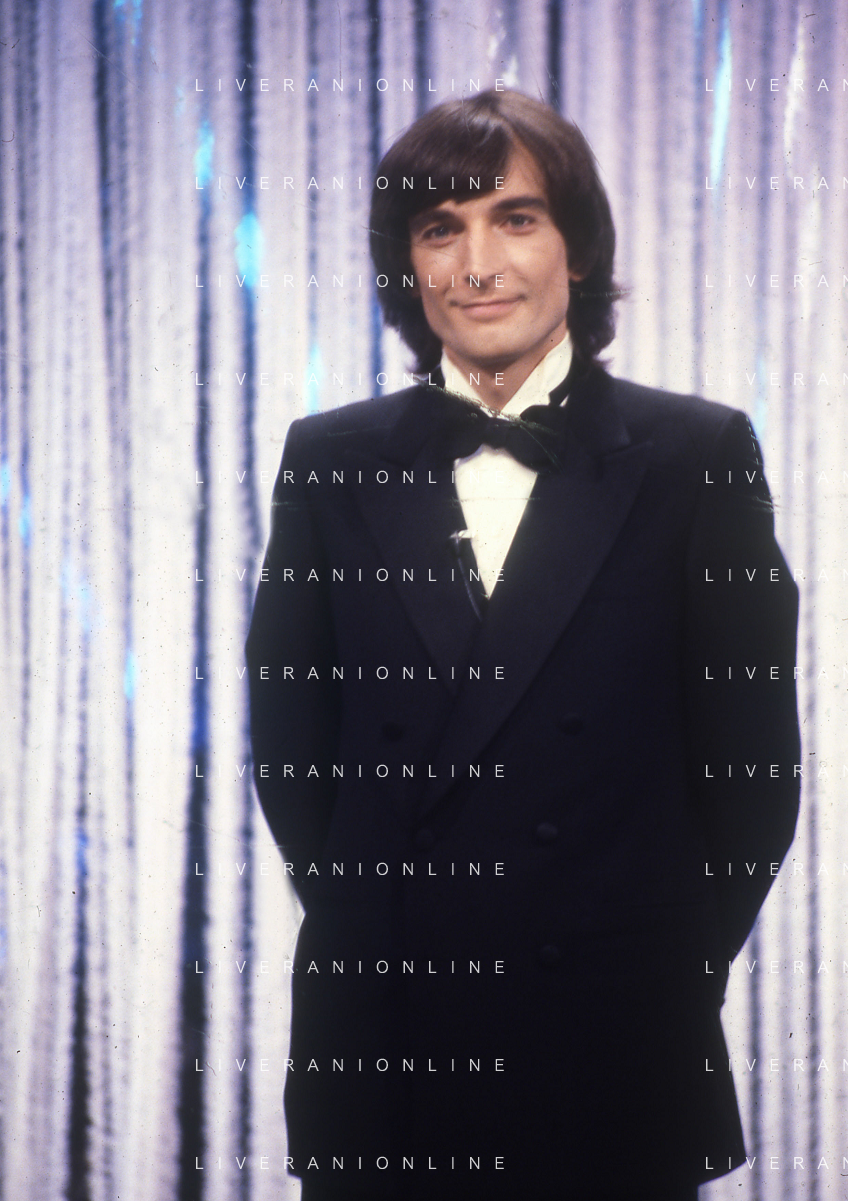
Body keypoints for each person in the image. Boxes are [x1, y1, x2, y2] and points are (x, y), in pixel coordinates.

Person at [246, 89, 800, 1201]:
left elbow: (753, 777)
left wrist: (655, 971)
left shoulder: (697, 455)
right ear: (407, 267)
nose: (477, 264)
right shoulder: (329, 458)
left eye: (515, 218)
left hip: (612, 1044)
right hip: (388, 1040)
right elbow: (293, 754)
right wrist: (381, 924)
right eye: (438, 229)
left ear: (576, 250)